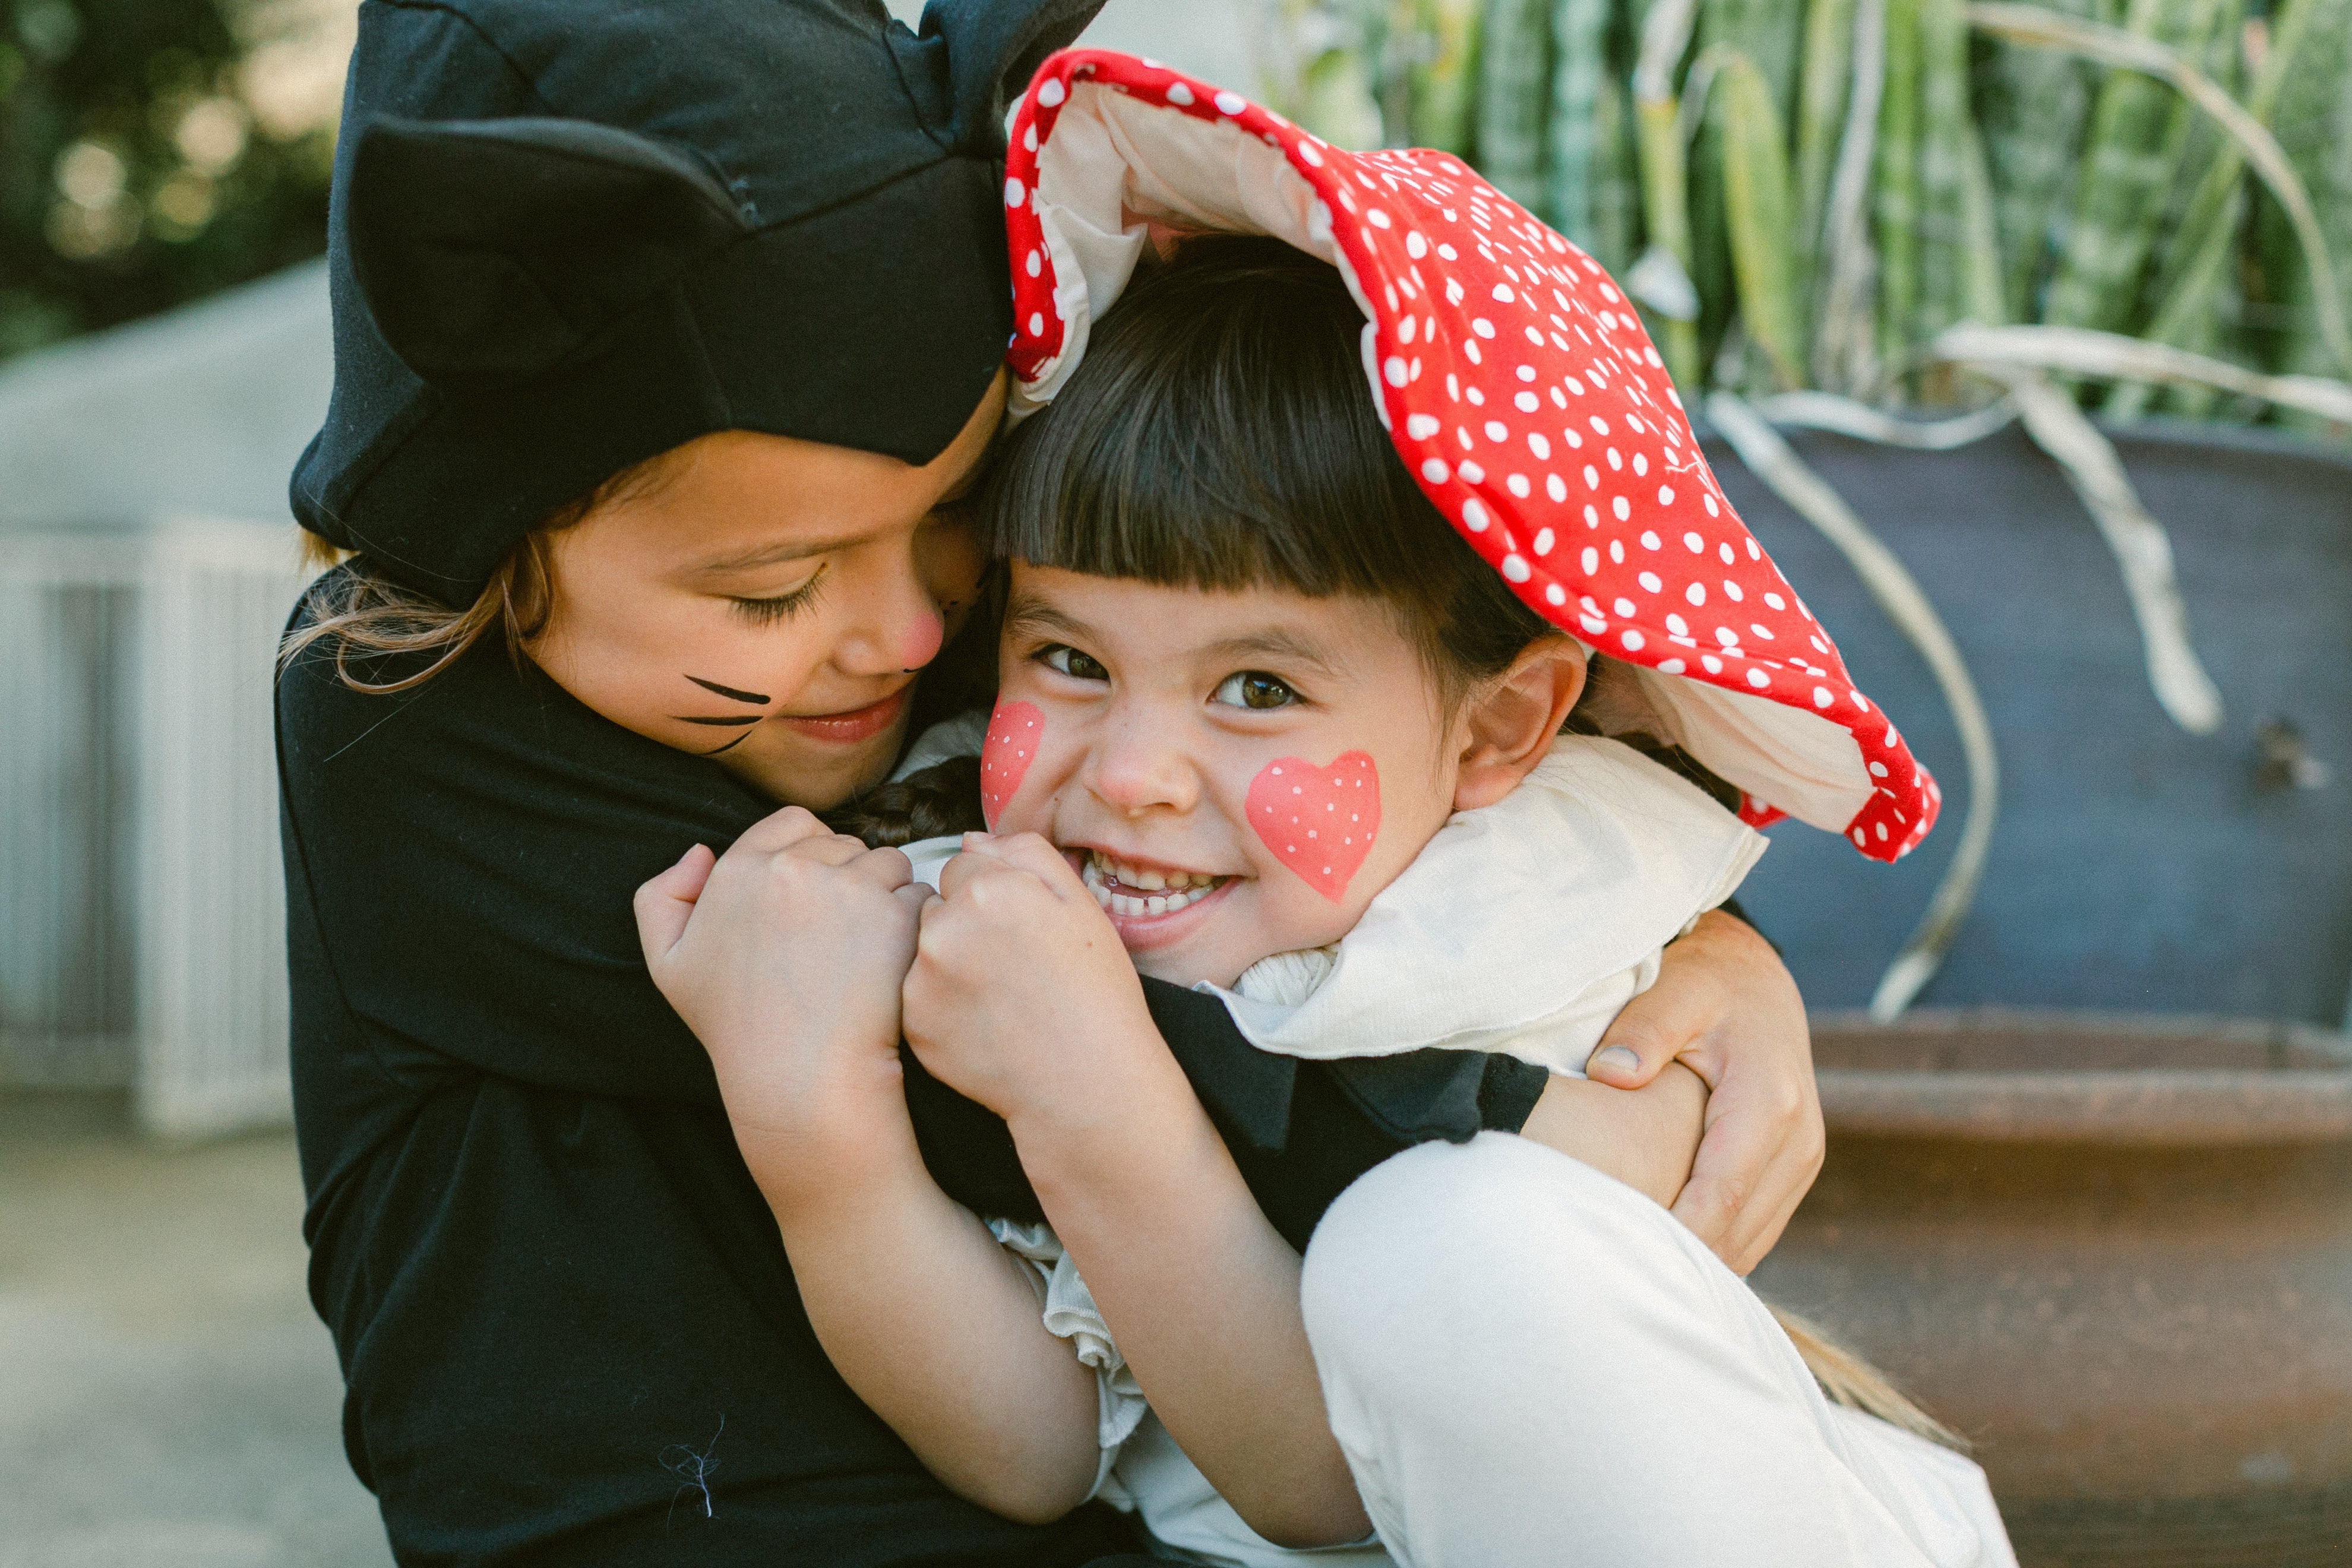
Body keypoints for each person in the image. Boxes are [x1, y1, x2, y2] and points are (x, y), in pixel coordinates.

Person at [280, 5, 1825, 1564]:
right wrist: (1519, 1116)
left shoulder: (975, 670)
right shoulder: (388, 713)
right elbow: (1062, 1029)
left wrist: (1685, 968)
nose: (906, 629)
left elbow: (1361, 801)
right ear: (495, 552)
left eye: (957, 518)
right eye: (769, 593)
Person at [637, 225, 2010, 1566]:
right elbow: (1037, 1449)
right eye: (1066, 658)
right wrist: (817, 1128)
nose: (1133, 776)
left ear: (1495, 733)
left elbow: (1319, 1473)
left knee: (1429, 1244)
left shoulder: (1526, 907)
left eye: (1259, 691)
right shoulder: (984, 915)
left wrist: (1095, 1100)